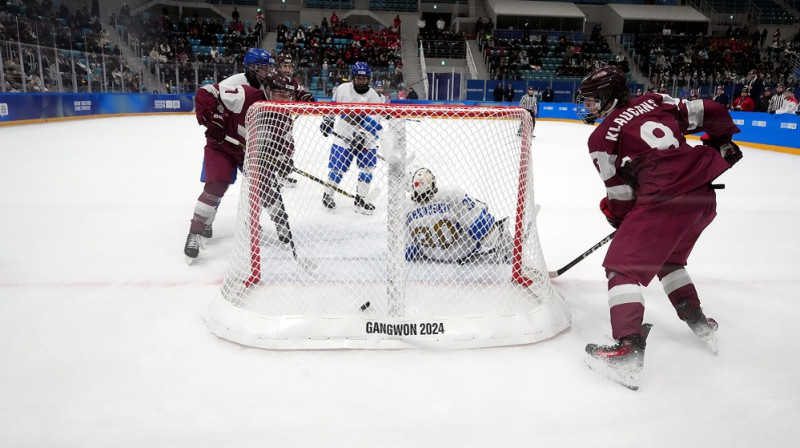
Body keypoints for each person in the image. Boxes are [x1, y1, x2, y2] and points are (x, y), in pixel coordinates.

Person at [575, 65, 743, 390]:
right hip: (703, 196)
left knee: (621, 269)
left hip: (665, 199)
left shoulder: (600, 137)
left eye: (593, 100)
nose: (589, 107)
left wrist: (623, 219)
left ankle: (626, 350)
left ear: (609, 97)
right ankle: (698, 320)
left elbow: (620, 194)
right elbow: (712, 110)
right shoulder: (655, 101)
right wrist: (721, 142)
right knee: (669, 260)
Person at [184, 75, 294, 262]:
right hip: (222, 145)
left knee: (265, 185)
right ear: (267, 90)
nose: (281, 99)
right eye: (277, 93)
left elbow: (285, 143)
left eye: (286, 94)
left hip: (249, 152)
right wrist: (212, 118)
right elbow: (206, 92)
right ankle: (195, 232)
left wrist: (284, 160)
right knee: (216, 186)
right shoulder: (246, 94)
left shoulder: (284, 116)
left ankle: (281, 222)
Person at [404, 167, 511, 264]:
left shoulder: (406, 207)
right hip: (465, 250)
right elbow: (480, 226)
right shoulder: (451, 194)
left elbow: (408, 251)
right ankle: (509, 249)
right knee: (481, 218)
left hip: (433, 255)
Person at [319, 62, 384, 214]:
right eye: (358, 78)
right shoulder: (342, 89)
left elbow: (374, 121)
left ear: (368, 79)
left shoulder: (373, 96)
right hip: (343, 135)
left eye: (364, 78)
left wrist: (362, 135)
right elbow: (333, 106)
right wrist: (327, 120)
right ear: (353, 77)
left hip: (366, 138)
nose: (361, 81)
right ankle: (327, 195)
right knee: (337, 168)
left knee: (367, 168)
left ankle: (360, 200)